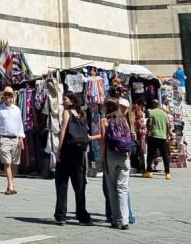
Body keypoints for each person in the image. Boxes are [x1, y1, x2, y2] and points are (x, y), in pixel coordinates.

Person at [53, 95, 92, 224]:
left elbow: (63, 131)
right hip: (79, 154)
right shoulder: (81, 114)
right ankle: (82, 215)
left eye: (65, 99)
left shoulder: (67, 112)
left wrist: (59, 150)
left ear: (72, 101)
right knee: (79, 186)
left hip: (67, 152)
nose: (63, 101)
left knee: (62, 184)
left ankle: (61, 215)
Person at [101, 98, 134, 229]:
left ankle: (115, 219)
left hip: (111, 156)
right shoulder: (124, 120)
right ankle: (124, 220)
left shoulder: (105, 121)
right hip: (124, 155)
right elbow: (129, 138)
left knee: (112, 188)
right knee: (123, 188)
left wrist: (102, 160)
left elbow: (103, 142)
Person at [0, 86, 24, 194]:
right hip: (4, 138)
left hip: (15, 139)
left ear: (12, 97)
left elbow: (20, 125)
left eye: (9, 95)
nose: (7, 97)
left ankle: (10, 183)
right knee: (7, 163)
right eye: (5, 95)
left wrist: (21, 138)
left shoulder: (17, 109)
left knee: (14, 164)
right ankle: (11, 186)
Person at [145, 94, 172, 180]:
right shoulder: (164, 113)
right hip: (162, 137)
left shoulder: (151, 112)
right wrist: (167, 134)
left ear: (153, 104)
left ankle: (149, 172)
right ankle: (167, 173)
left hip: (153, 136)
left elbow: (149, 122)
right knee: (165, 155)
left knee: (150, 154)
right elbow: (168, 126)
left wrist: (148, 132)